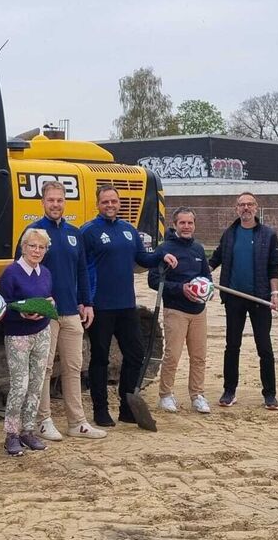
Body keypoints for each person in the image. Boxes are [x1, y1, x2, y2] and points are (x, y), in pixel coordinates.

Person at [17, 181, 107, 442]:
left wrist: (86, 302)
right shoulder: (33, 233)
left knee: (73, 367)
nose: (55, 204)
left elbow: (81, 269)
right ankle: (43, 420)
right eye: (51, 200)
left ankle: (77, 422)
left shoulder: (73, 233)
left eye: (59, 200)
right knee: (44, 368)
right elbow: (19, 270)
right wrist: (30, 305)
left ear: (64, 202)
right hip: (46, 313)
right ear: (42, 202)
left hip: (71, 312)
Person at [82, 185, 176, 427]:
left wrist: (161, 256)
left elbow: (142, 258)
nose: (110, 205)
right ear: (98, 204)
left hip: (126, 305)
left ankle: (126, 407)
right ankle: (100, 410)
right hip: (100, 307)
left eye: (114, 201)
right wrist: (84, 300)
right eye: (105, 202)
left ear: (119, 203)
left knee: (135, 355)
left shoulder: (128, 230)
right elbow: (81, 269)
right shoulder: (89, 231)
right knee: (100, 358)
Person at [208, 192, 278, 410]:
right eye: (242, 205)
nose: (246, 208)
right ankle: (229, 391)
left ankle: (270, 394)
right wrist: (198, 273)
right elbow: (215, 259)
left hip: (260, 299)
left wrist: (275, 294)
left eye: (250, 204)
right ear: (236, 209)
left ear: (256, 208)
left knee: (264, 348)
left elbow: (273, 267)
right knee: (232, 346)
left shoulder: (268, 235)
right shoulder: (229, 234)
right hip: (234, 299)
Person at [148, 207, 212, 415]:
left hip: (198, 311)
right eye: (182, 223)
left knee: (199, 356)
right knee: (173, 355)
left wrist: (207, 291)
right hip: (175, 310)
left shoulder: (199, 250)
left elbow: (207, 278)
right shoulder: (164, 249)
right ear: (175, 225)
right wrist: (181, 288)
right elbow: (153, 281)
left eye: (190, 223)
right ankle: (165, 395)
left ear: (194, 225)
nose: (186, 227)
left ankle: (197, 395)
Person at [0, 228, 55, 456]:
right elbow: (4, 305)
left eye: (41, 247)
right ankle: (11, 434)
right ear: (23, 247)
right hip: (18, 334)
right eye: (32, 246)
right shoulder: (11, 273)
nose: (37, 251)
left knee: (36, 383)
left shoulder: (46, 273)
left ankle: (28, 431)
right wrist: (21, 313)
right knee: (19, 385)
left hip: (41, 331)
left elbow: (49, 299)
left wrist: (48, 306)